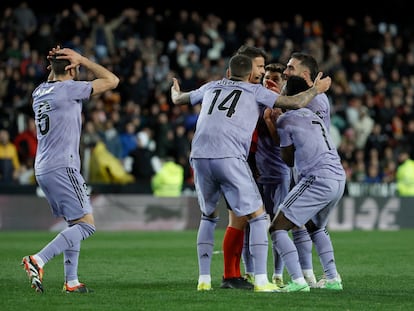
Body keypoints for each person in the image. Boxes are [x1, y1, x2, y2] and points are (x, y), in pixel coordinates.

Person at [170, 53, 332, 292]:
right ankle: (262, 280)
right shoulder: (255, 91)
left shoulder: (211, 86)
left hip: (199, 156)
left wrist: (174, 91)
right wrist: (316, 89)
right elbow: (295, 103)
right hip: (229, 156)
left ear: (228, 73)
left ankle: (203, 280)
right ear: (249, 76)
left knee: (208, 216)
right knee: (257, 217)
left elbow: (179, 99)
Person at [21, 45, 120, 293]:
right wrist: (83, 59)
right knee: (87, 225)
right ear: (72, 69)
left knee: (74, 223)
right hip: (62, 166)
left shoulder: (39, 91)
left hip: (43, 167)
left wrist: (59, 65)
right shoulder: (69, 90)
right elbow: (112, 80)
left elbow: (55, 76)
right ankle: (38, 260)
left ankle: (72, 281)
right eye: (75, 66)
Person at [268, 75, 345, 292]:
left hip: (317, 178)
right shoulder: (314, 116)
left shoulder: (285, 120)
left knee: (277, 228)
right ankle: (332, 278)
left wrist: (274, 124)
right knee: (315, 226)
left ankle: (297, 281)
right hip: (338, 177)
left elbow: (287, 159)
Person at [281, 51, 332, 287]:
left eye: (290, 68)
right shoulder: (313, 98)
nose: (285, 72)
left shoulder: (314, 100)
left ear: (304, 74)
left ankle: (303, 278)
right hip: (310, 169)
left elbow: (291, 127)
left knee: (292, 224)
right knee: (309, 225)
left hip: (311, 170)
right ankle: (320, 276)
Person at [247, 63, 290, 288]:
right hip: (257, 172)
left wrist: (269, 121)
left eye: (275, 78)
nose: (269, 82)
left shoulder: (283, 107)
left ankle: (277, 274)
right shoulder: (256, 102)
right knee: (251, 222)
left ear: (283, 82)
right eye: (266, 78)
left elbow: (281, 143)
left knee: (277, 225)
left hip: (279, 173)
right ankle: (251, 272)